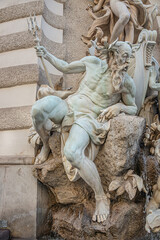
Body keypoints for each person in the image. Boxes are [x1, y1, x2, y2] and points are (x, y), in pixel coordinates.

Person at [32, 40, 137, 223]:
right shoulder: (92, 62)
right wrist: (46, 54)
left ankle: (101, 197)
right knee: (38, 110)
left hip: (88, 118)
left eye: (129, 56)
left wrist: (119, 106)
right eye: (125, 55)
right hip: (69, 105)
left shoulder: (125, 82)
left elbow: (133, 108)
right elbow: (64, 67)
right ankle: (46, 144)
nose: (127, 61)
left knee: (72, 153)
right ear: (113, 53)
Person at [82, 0, 157, 44]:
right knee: (125, 16)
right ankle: (112, 43)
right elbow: (98, 6)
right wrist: (91, 9)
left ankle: (128, 51)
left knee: (130, 25)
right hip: (117, 1)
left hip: (131, 4)